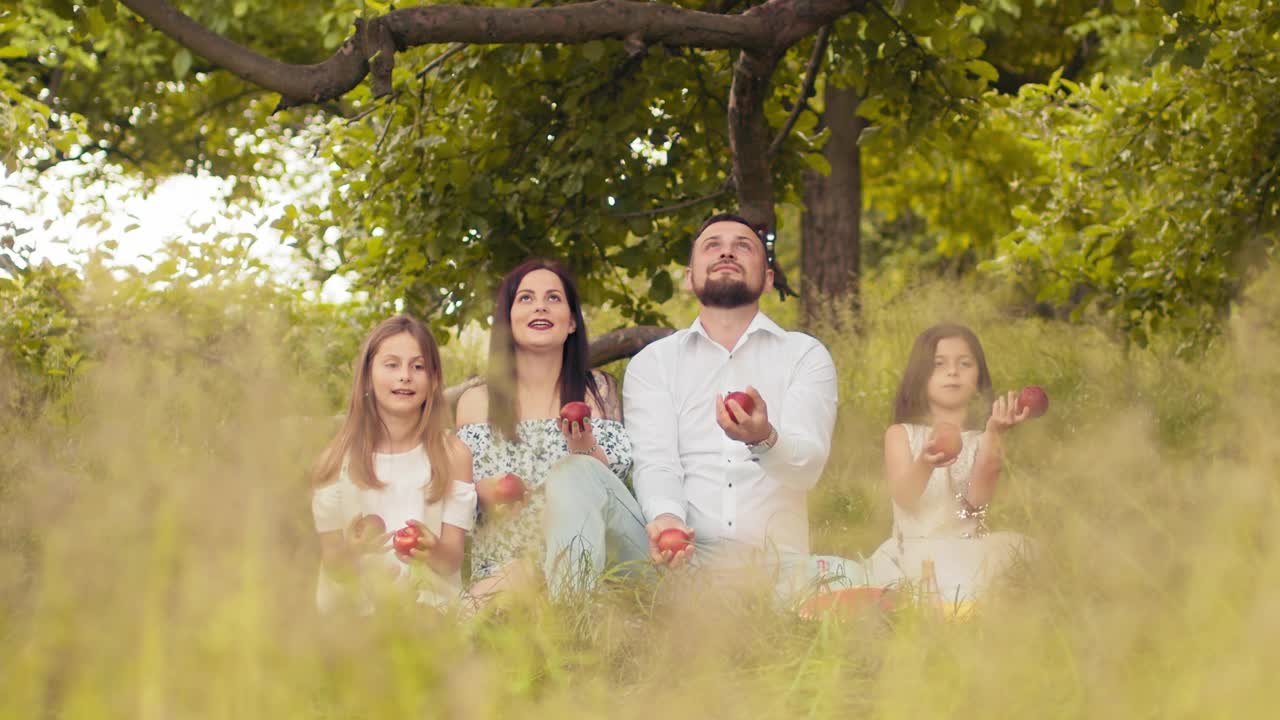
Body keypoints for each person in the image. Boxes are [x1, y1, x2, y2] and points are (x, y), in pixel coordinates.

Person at [624, 212, 864, 602]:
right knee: (581, 478)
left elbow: (807, 470)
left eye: (743, 246)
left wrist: (764, 438)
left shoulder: (803, 354)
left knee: (858, 578)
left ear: (768, 278)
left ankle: (746, 608)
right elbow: (657, 463)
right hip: (687, 561)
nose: (727, 252)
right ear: (689, 276)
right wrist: (668, 521)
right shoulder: (654, 364)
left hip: (775, 566)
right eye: (712, 245)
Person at [455, 258, 646, 599]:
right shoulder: (475, 402)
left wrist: (584, 448)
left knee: (575, 474)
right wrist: (492, 491)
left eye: (553, 298)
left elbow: (611, 494)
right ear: (507, 320)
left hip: (592, 568)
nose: (540, 305)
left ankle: (571, 611)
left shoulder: (599, 392)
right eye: (526, 298)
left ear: (572, 321)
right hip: (505, 571)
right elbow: (459, 500)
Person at [310, 315, 476, 613]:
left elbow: (452, 559)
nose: (405, 376)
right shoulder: (335, 461)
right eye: (391, 365)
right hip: (356, 615)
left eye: (418, 366)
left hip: (430, 611)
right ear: (367, 377)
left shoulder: (453, 454)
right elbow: (334, 564)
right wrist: (353, 551)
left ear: (434, 379)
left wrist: (431, 549)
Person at [866, 323, 1032, 600]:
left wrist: (994, 434)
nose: (953, 372)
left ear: (979, 377)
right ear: (919, 375)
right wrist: (925, 463)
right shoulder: (901, 435)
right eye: (938, 364)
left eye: (965, 363)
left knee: (1017, 563)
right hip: (914, 549)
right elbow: (905, 497)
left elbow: (977, 504)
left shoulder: (983, 438)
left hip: (969, 549)